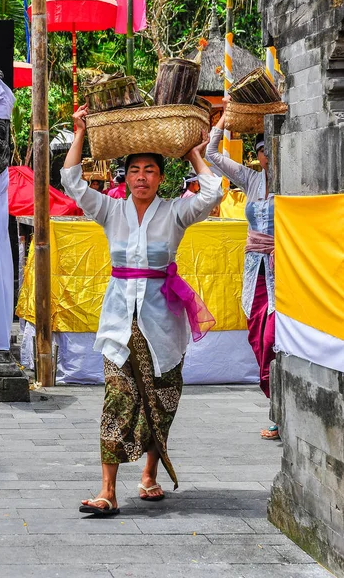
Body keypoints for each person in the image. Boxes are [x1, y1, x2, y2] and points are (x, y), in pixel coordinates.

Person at [61, 104, 223, 515]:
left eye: (150, 170)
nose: (142, 178)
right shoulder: (110, 210)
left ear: (161, 178)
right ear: (125, 176)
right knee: (118, 397)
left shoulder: (175, 212)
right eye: (135, 171)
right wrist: (80, 133)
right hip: (119, 320)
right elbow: (72, 182)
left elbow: (212, 192)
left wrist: (192, 151)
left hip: (163, 324)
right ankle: (107, 491)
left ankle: (149, 474)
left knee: (162, 399)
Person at [205, 96, 278, 440]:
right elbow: (211, 155)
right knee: (257, 336)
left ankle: (280, 410)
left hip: (285, 270)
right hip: (256, 271)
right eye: (262, 150)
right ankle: (276, 407)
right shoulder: (251, 180)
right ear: (259, 155)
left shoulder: (293, 182)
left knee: (273, 338)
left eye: (272, 149)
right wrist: (224, 118)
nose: (267, 156)